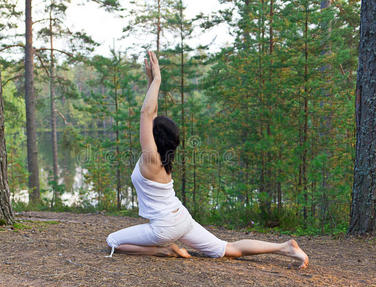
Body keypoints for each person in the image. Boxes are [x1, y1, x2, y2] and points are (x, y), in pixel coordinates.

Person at [105, 51, 309, 269]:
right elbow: (151, 114)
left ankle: (164, 249)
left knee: (113, 241)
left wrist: (157, 80)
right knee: (228, 248)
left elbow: (147, 114)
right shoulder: (163, 159)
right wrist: (150, 81)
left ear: (154, 137)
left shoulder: (150, 159)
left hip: (164, 229)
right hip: (182, 218)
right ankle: (285, 247)